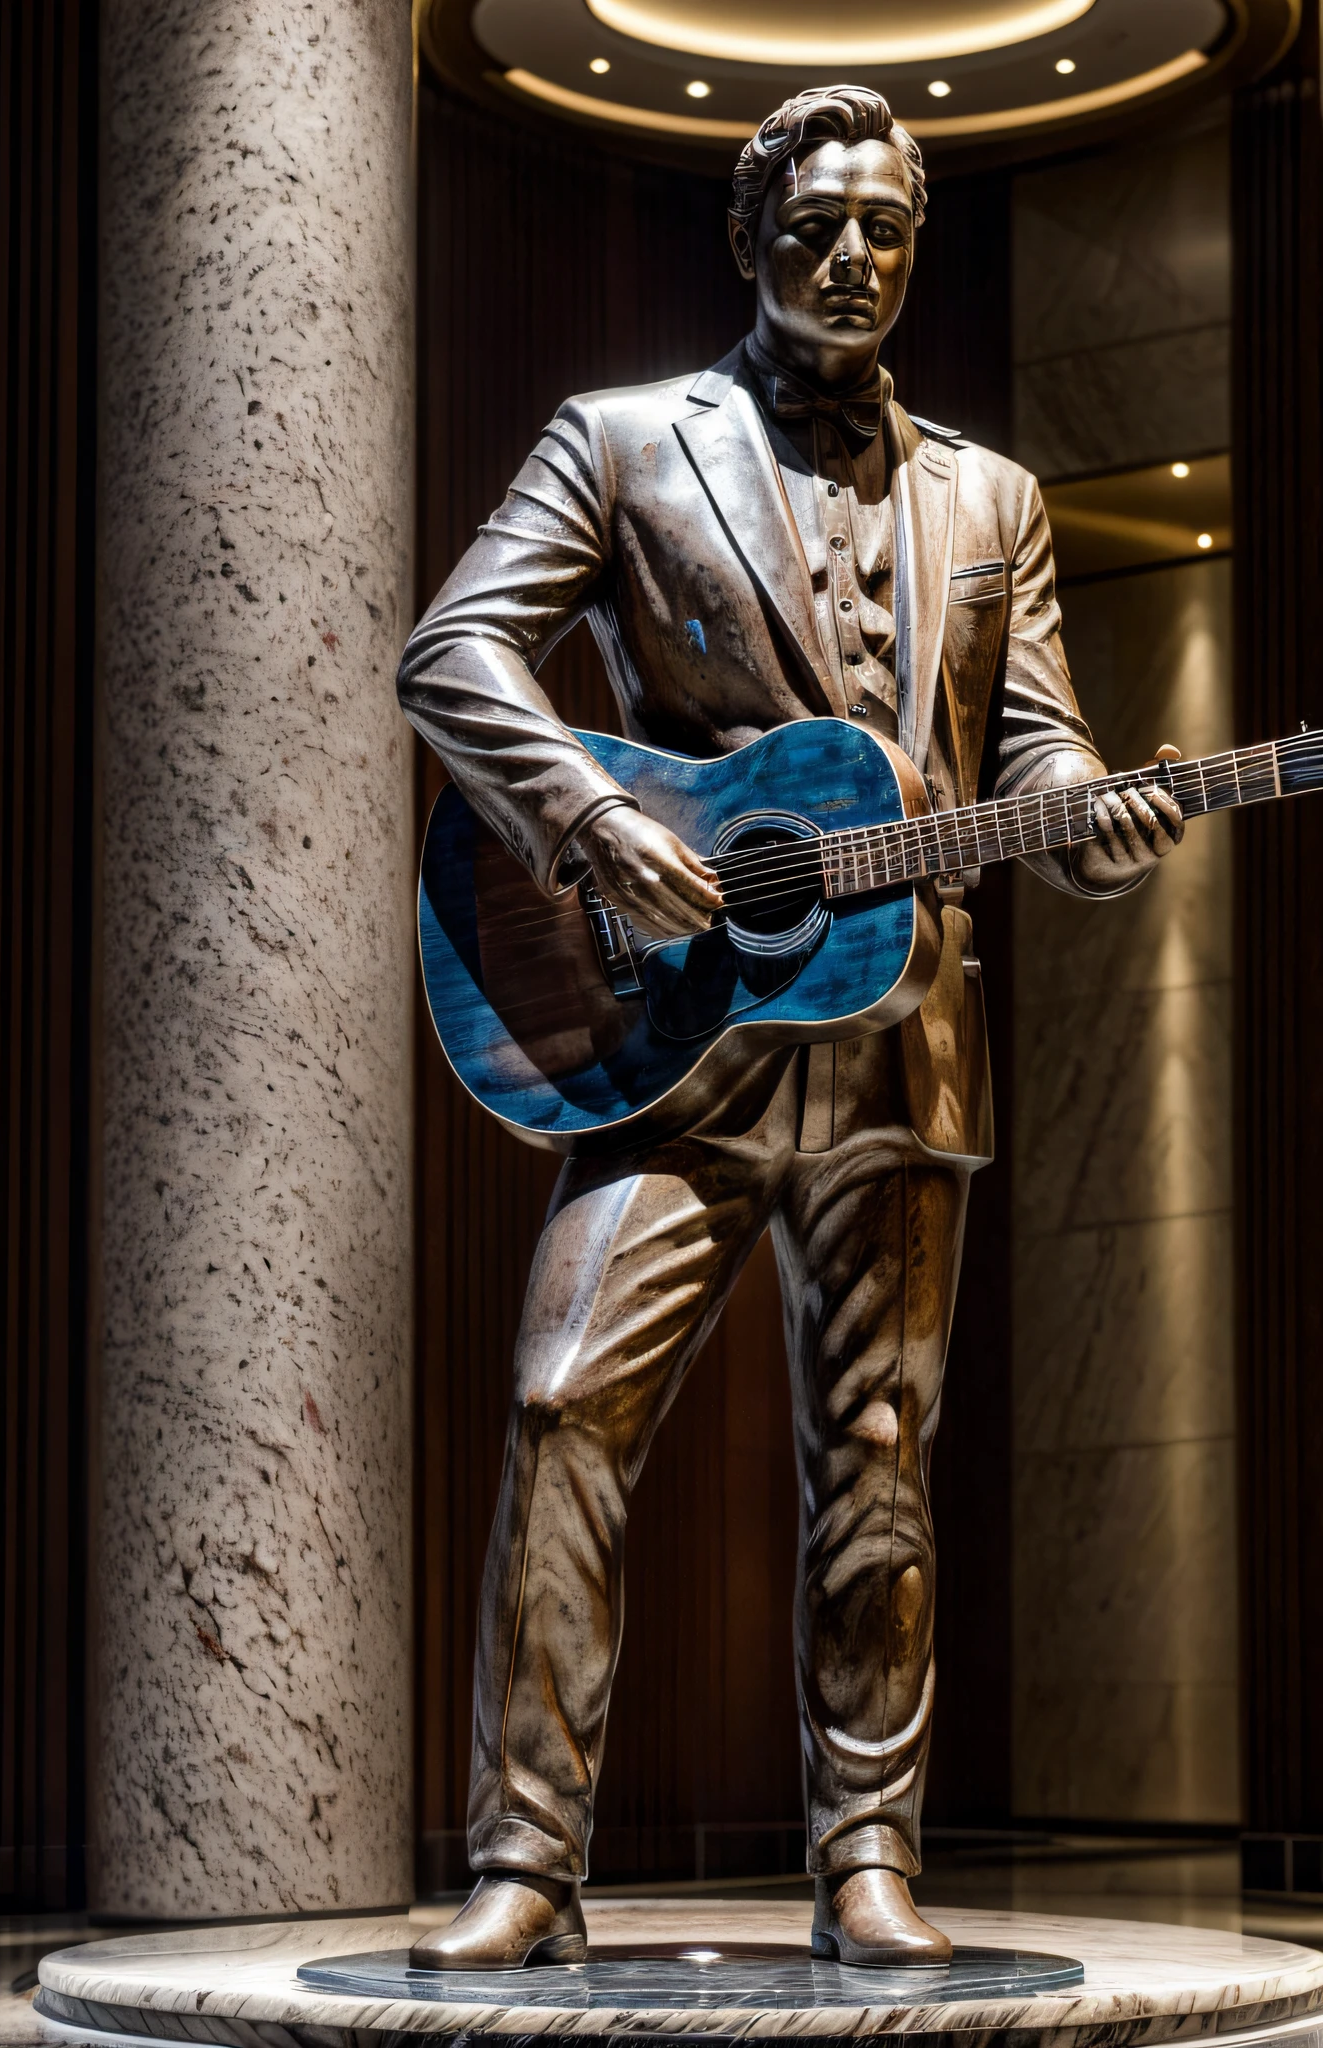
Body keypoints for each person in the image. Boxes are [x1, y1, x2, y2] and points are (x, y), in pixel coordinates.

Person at [397, 84, 1182, 1970]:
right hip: (667, 1031)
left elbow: (1037, 751)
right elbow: (454, 650)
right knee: (561, 1396)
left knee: (884, 1444)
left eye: (886, 230)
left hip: (905, 1041)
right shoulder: (621, 441)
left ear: (917, 246)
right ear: (749, 238)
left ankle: (866, 1860)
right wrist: (598, 822)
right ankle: (527, 1856)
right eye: (816, 223)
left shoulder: (993, 496)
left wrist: (1092, 829)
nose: (851, 256)